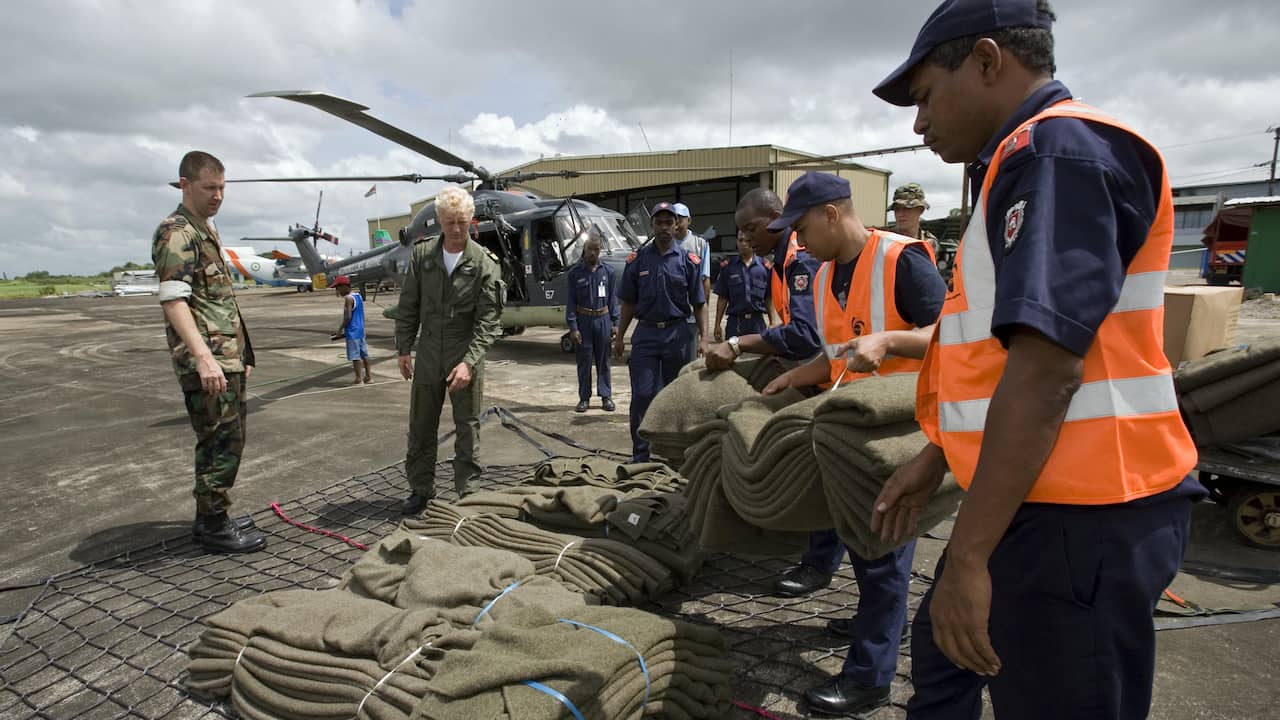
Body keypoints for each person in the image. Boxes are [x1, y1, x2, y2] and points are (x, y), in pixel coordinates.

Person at [869, 2, 1204, 718]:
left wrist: (967, 556)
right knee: (941, 655)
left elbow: (1048, 370)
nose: (918, 123)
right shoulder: (1026, 162)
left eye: (926, 96)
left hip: (1081, 517)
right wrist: (934, 459)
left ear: (989, 61)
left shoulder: (1056, 154)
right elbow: (996, 357)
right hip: (1041, 500)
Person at [759, 171, 946, 716]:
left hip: (899, 429)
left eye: (801, 226)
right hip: (850, 432)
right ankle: (874, 625)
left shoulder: (901, 260)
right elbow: (837, 353)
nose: (797, 238)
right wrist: (794, 377)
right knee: (862, 543)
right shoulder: (820, 279)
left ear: (832, 215)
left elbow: (954, 337)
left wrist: (889, 340)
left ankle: (870, 678)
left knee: (884, 547)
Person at [152, 150, 266, 554]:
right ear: (184, 184)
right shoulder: (178, 233)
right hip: (209, 359)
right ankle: (216, 525)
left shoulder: (204, 228)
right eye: (209, 188)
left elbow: (218, 301)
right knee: (223, 440)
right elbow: (175, 302)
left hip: (225, 356)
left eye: (222, 187)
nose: (218, 195)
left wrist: (241, 355)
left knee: (224, 437)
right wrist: (204, 357)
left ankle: (208, 517)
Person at [396, 186, 505, 514]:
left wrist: (469, 362)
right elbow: (408, 305)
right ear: (439, 222)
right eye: (449, 222)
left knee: (467, 426)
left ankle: (467, 491)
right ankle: (420, 488)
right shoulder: (422, 256)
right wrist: (403, 348)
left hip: (463, 349)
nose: (456, 229)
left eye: (461, 222)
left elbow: (489, 321)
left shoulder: (485, 263)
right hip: (428, 351)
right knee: (421, 424)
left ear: (471, 220)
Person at [613, 201, 707, 461]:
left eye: (669, 222)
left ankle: (675, 454)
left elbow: (699, 303)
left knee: (676, 398)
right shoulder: (637, 261)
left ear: (677, 225)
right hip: (646, 335)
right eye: (659, 222)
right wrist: (620, 336)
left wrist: (704, 338)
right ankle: (640, 455)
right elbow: (628, 303)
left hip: (678, 336)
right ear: (652, 226)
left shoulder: (688, 262)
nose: (665, 227)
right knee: (643, 394)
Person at [703, 188, 822, 373]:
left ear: (775, 218)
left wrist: (738, 343)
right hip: (802, 362)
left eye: (751, 229)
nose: (747, 239)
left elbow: (805, 335)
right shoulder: (779, 263)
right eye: (742, 232)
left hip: (819, 370)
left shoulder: (800, 261)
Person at [565, 227, 619, 412]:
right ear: (584, 249)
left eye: (597, 249)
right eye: (590, 249)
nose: (593, 253)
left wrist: (615, 323)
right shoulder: (575, 273)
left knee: (604, 360)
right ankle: (584, 398)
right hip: (584, 321)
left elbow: (613, 298)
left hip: (603, 319)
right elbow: (571, 302)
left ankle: (606, 396)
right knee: (584, 360)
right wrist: (573, 327)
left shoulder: (608, 272)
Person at [890, 183, 954, 287]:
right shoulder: (885, 240)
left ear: (920, 210)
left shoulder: (930, 242)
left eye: (907, 208)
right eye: (897, 209)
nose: (900, 214)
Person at [712, 234, 771, 342]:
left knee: (759, 357)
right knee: (732, 356)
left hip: (757, 323)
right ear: (737, 242)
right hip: (735, 324)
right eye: (740, 240)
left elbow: (768, 298)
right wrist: (717, 325)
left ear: (753, 242)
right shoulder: (728, 267)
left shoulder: (764, 268)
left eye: (747, 240)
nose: (743, 243)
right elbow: (722, 298)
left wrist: (773, 322)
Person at [674, 202, 711, 362]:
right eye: (673, 219)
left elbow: (705, 278)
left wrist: (703, 308)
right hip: (670, 312)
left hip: (690, 313)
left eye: (680, 219)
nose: (676, 223)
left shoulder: (699, 244)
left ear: (689, 220)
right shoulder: (664, 242)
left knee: (689, 359)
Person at [331, 275, 371, 385]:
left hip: (353, 332)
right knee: (364, 355)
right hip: (361, 330)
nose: (337, 291)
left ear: (344, 286)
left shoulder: (348, 299)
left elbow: (348, 317)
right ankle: (369, 377)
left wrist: (340, 329)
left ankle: (358, 379)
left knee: (355, 357)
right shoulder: (358, 296)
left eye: (338, 288)